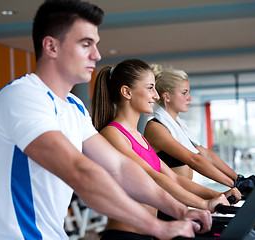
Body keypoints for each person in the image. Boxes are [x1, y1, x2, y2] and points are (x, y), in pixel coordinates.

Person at [0, 1, 212, 239]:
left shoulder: (74, 107)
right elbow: (79, 171)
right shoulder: (22, 96)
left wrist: (181, 211)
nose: (97, 54)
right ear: (51, 46)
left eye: (96, 44)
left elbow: (120, 168)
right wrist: (157, 227)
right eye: (85, 44)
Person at [91, 59, 240, 239]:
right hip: (125, 235)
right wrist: (204, 204)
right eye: (150, 88)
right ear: (127, 92)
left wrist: (219, 196)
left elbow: (174, 178)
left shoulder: (140, 138)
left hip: (149, 234)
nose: (156, 95)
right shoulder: (112, 134)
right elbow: (153, 177)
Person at [144, 64, 255, 195]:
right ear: (167, 97)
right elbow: (193, 160)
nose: (189, 97)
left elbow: (206, 154)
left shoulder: (178, 126)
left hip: (180, 199)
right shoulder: (156, 127)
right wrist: (234, 184)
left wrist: (238, 178)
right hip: (164, 202)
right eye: (184, 92)